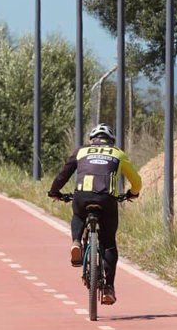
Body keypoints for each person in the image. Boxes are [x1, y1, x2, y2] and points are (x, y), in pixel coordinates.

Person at [47, 123, 142, 305]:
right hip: (107, 199)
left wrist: (55, 192)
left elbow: (62, 176)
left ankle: (76, 242)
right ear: (110, 140)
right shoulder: (117, 153)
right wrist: (133, 193)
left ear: (92, 140)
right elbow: (136, 181)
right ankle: (108, 288)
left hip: (82, 197)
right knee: (108, 244)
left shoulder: (81, 152)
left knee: (78, 215)